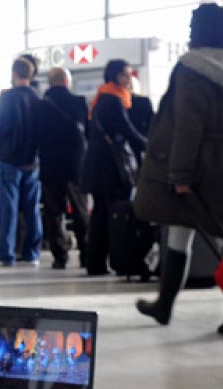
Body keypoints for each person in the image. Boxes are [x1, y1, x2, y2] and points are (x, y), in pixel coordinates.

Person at [133, 4, 223, 335]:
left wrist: (179, 174)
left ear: (197, 30)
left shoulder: (191, 69)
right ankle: (166, 305)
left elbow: (187, 126)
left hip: (200, 164)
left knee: (218, 239)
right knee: (194, 233)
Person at [82, 59, 148, 275]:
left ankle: (95, 262)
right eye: (127, 75)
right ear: (116, 77)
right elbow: (127, 131)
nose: (130, 80)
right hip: (110, 168)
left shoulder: (103, 96)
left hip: (99, 166)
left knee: (100, 213)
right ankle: (105, 261)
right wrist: (151, 145)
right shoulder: (113, 100)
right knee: (109, 215)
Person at [34, 67, 90, 269]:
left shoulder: (39, 107)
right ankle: (86, 253)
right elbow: (89, 133)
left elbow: (34, 135)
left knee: (53, 212)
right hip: (75, 165)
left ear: (50, 82)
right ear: (66, 81)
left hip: (50, 165)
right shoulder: (79, 102)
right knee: (80, 210)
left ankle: (59, 256)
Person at [0, 57, 42, 266]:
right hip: (32, 161)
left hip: (9, 159)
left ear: (14, 73)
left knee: (8, 208)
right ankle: (32, 253)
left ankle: (6, 253)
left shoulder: (9, 97)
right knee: (32, 208)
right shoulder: (37, 98)